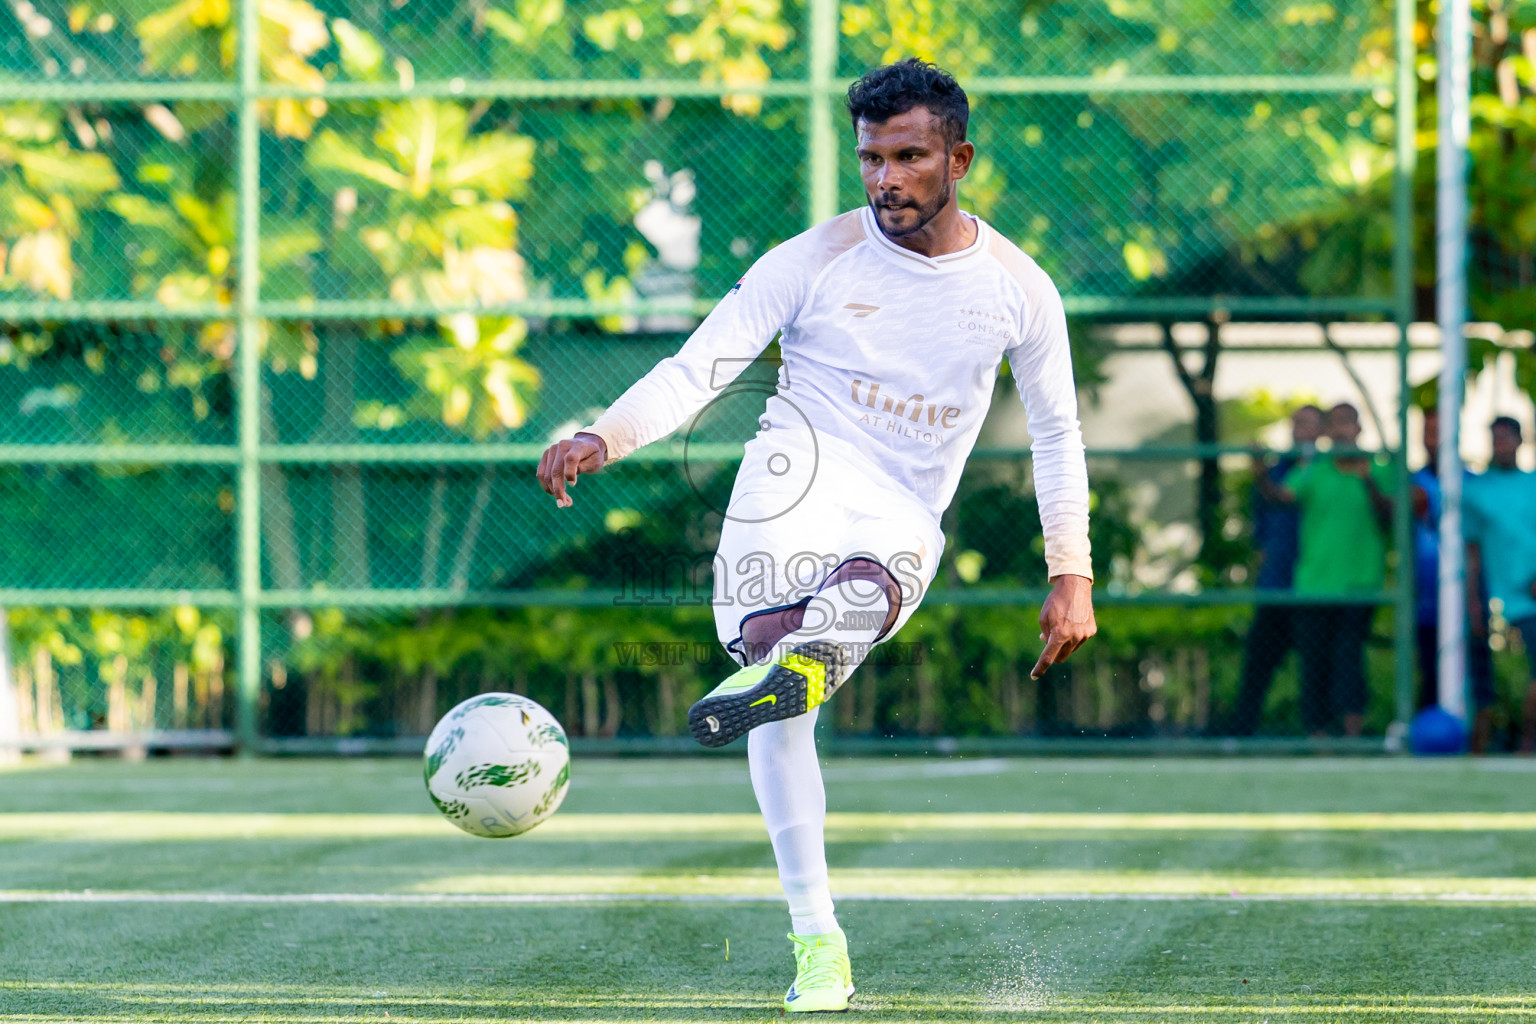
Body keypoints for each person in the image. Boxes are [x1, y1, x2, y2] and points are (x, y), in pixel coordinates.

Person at [534, 59, 1096, 1011]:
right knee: (776, 667)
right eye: (872, 157)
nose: (886, 178)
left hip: (902, 508)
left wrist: (1070, 569)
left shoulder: (1017, 289)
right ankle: (818, 943)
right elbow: (697, 366)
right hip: (793, 476)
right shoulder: (814, 257)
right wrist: (604, 435)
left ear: (957, 158)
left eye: (909, 156)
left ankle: (798, 661)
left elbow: (1056, 430)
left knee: (844, 610)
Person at [1256, 402, 1393, 736]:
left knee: (1349, 658)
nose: (1343, 430)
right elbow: (1280, 497)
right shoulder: (1312, 469)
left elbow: (1390, 517)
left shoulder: (1380, 469)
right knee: (1314, 661)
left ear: (1360, 429)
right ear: (1328, 433)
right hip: (1314, 584)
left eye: (1349, 422)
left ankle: (1352, 735)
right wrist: (1260, 473)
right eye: (1337, 424)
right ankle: (1317, 737)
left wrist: (1367, 480)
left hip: (1360, 584)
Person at [1228, 404, 1323, 735]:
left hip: (1314, 585)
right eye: (1297, 424)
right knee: (1259, 659)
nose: (1301, 431)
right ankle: (1241, 731)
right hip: (1277, 583)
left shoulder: (1326, 469)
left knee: (1317, 664)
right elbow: (1262, 523)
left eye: (1309, 425)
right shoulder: (1275, 470)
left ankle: (1319, 734)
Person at [1410, 407, 1496, 750]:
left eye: (1440, 432)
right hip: (1425, 599)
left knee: (1478, 675)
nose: (1434, 439)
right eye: (1428, 432)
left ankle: (1480, 750)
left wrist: (1474, 601)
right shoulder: (1411, 484)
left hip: (1468, 597)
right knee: (1430, 674)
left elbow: (1477, 546)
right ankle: (1428, 743)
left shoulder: (1472, 485)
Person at [1465, 416, 1536, 753]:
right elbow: (1472, 553)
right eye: (1496, 439)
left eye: (1508, 438)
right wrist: (1473, 603)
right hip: (1508, 602)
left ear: (1521, 440)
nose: (1502, 445)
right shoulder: (1476, 491)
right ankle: (1520, 742)